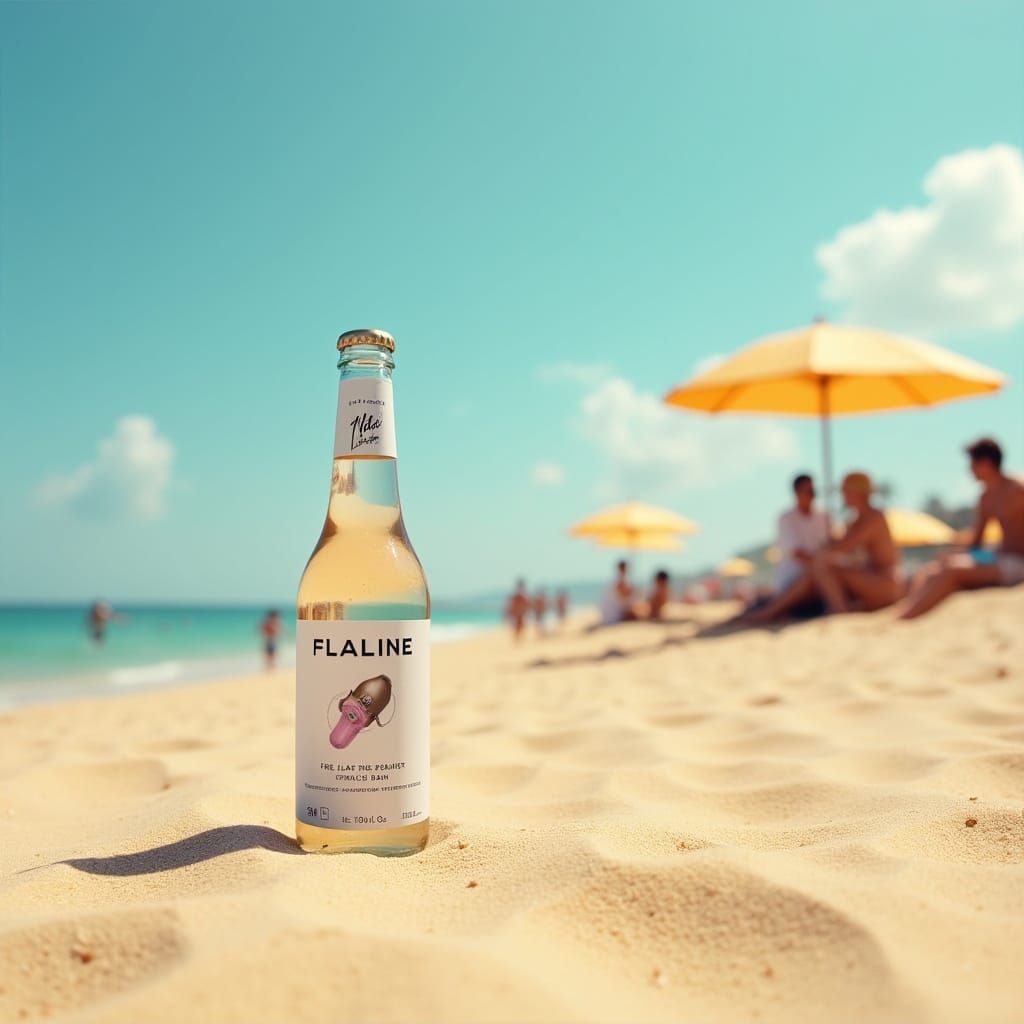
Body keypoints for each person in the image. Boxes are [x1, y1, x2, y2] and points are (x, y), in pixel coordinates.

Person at [746, 472, 902, 622]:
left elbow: (841, 548)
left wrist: (825, 549)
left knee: (821, 564)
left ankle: (838, 610)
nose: (842, 496)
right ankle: (772, 610)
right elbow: (843, 550)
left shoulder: (872, 518)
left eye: (845, 491)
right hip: (873, 580)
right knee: (821, 565)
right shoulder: (858, 520)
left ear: (857, 492)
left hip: (884, 583)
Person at [900, 438, 1024, 619]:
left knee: (952, 571)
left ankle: (907, 617)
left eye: (973, 464)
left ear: (986, 464)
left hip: (1018, 563)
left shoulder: (1017, 489)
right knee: (932, 569)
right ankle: (903, 611)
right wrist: (952, 554)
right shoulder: (986, 498)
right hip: (999, 558)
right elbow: (976, 544)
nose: (969, 470)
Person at [774, 473, 830, 593]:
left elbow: (829, 545)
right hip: (792, 579)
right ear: (796, 492)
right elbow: (796, 553)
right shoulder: (786, 519)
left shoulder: (823, 517)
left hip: (818, 576)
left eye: (813, 491)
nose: (812, 495)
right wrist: (821, 565)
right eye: (808, 491)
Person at [599, 560, 635, 625]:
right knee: (636, 614)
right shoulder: (620, 581)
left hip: (607, 615)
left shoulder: (616, 580)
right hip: (613, 616)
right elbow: (625, 597)